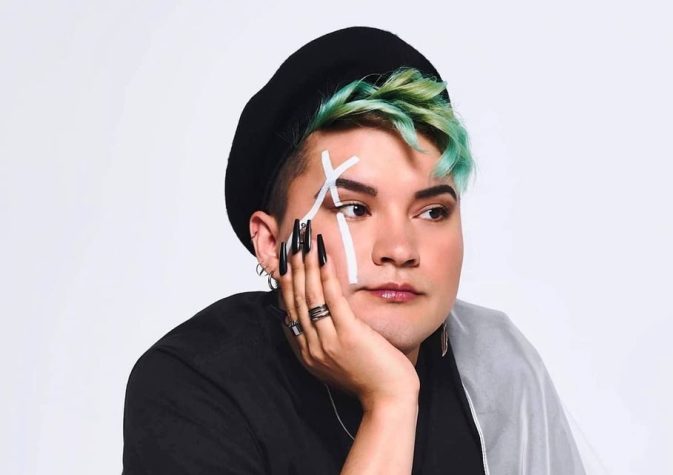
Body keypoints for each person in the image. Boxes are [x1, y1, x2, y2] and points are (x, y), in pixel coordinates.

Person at [122, 26, 586, 474]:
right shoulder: (194, 384)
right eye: (354, 208)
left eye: (432, 212)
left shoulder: (495, 359)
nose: (400, 249)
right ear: (269, 241)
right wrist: (391, 403)